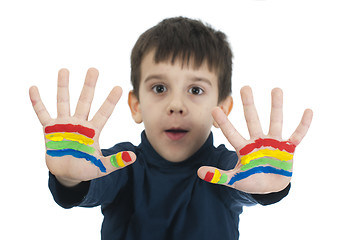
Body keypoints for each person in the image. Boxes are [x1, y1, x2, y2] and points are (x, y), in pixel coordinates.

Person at [29, 17, 313, 239]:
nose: (176, 104)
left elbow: (246, 182)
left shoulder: (226, 169)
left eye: (196, 90)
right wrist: (70, 178)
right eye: (160, 88)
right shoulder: (121, 164)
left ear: (223, 109)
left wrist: (268, 188)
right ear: (136, 105)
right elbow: (92, 180)